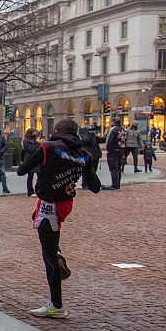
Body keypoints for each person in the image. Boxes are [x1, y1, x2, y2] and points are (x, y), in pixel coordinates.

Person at [16, 119, 101, 319]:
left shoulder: (48, 148)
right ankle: (57, 251)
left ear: (56, 130)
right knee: (38, 221)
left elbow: (22, 170)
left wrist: (45, 168)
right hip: (65, 203)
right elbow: (95, 186)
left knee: (49, 256)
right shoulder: (83, 154)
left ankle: (56, 304)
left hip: (48, 203)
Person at [105, 118, 127, 190]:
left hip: (113, 151)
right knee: (118, 168)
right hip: (121, 150)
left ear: (114, 122)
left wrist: (108, 149)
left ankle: (114, 185)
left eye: (111, 122)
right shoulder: (123, 130)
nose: (110, 123)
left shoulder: (113, 130)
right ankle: (117, 184)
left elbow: (110, 140)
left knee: (113, 169)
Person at [20, 129, 41, 197]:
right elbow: (31, 149)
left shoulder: (35, 141)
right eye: (34, 132)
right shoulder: (26, 142)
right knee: (30, 176)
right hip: (29, 160)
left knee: (39, 176)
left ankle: (39, 190)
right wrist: (38, 144)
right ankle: (30, 191)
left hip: (36, 160)